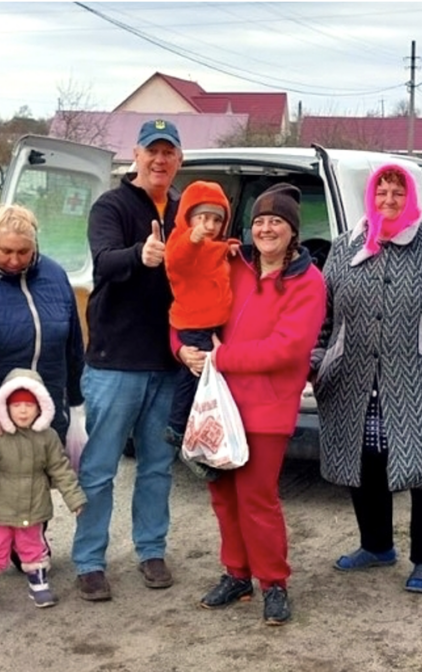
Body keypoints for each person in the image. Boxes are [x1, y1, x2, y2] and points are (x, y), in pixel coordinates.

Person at [310, 163, 422, 594]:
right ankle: (376, 546)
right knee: (364, 461)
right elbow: (324, 314)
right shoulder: (344, 248)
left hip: (419, 380)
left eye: (397, 192)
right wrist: (318, 360)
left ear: (410, 198)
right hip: (353, 380)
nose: (388, 200)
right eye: (381, 192)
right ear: (369, 197)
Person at [175, 183, 326, 625]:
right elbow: (189, 307)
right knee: (222, 494)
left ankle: (273, 582)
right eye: (260, 220)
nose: (266, 228)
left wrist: (222, 356)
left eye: (277, 221)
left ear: (293, 231)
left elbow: (287, 348)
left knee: (256, 498)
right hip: (219, 404)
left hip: (267, 407)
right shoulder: (232, 265)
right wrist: (181, 348)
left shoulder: (308, 282)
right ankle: (237, 574)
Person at [72, 118, 183, 601]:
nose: (160, 160)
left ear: (179, 160)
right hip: (115, 361)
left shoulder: (186, 211)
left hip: (168, 363)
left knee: (158, 465)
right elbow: (104, 262)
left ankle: (151, 550)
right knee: (99, 467)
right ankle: (90, 560)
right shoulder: (111, 206)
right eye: (152, 151)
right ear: (136, 155)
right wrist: (143, 253)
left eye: (169, 153)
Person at [0, 203, 86, 588]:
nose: (13, 260)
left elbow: (73, 340)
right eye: (5, 251)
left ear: (35, 245)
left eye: (23, 252)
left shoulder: (55, 275)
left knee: (33, 473)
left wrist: (75, 397)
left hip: (42, 402)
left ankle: (24, 546)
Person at [0, 368, 87, 610]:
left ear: (41, 407)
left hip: (33, 506)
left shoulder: (47, 437)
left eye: (29, 406)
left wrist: (75, 498)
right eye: (16, 405)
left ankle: (38, 585)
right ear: (5, 406)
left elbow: (60, 469)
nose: (22, 411)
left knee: (33, 546)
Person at [163, 180, 237, 450]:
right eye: (202, 218)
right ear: (187, 219)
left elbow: (216, 253)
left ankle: (192, 430)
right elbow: (176, 261)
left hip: (210, 324)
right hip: (194, 323)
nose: (209, 226)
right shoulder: (183, 243)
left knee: (201, 377)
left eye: (217, 219)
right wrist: (189, 239)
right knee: (195, 377)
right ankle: (179, 427)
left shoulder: (213, 246)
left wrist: (229, 246)